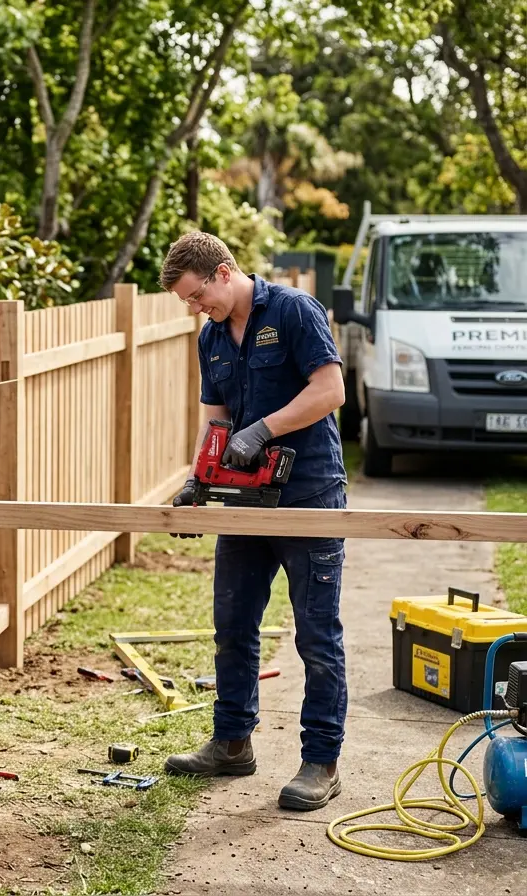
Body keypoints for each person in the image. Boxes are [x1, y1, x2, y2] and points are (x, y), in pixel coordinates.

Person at [159, 232, 348, 812]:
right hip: (245, 502)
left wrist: (264, 428)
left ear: (222, 271)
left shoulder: (292, 310)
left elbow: (331, 389)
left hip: (309, 494)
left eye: (197, 296)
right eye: (187, 302)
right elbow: (216, 420)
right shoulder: (212, 337)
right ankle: (232, 742)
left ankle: (322, 761)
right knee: (233, 627)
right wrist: (199, 479)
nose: (195, 309)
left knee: (316, 635)